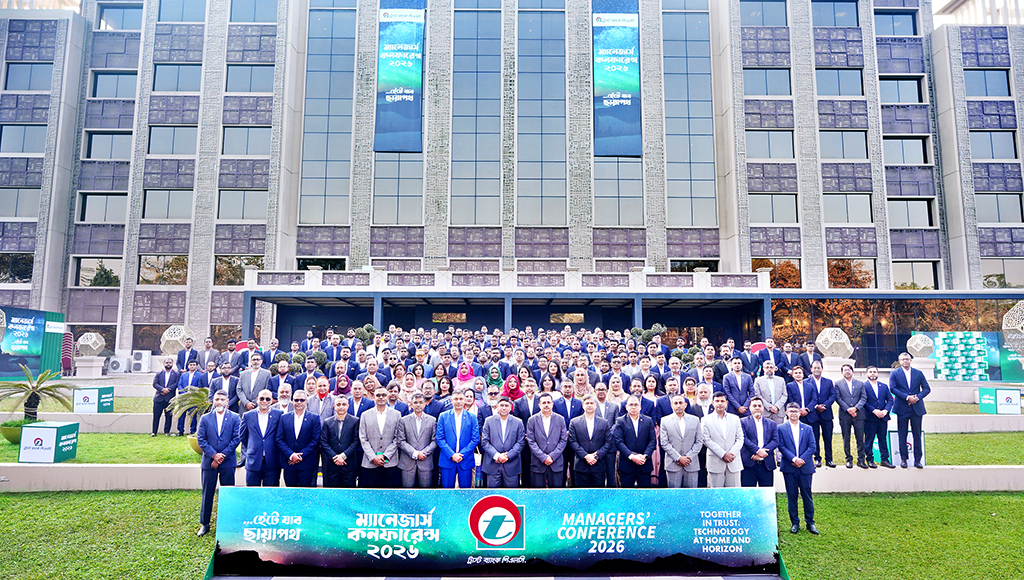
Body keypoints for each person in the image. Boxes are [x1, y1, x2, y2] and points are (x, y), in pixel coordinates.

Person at [196, 389, 240, 537]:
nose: (219, 402)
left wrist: (222, 456)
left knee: (228, 493)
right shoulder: (205, 418)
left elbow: (236, 438)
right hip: (209, 462)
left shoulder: (235, 417)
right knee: (207, 493)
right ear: (213, 401)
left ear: (227, 402)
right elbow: (201, 439)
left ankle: (228, 523)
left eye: (222, 399)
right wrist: (214, 455)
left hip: (228, 463)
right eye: (216, 399)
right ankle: (205, 524)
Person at [779, 402, 818, 535]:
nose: (793, 414)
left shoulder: (807, 428)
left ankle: (810, 522)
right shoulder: (781, 428)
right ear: (786, 413)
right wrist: (794, 459)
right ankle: (795, 523)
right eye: (791, 411)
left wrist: (801, 460)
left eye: (796, 411)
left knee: (807, 495)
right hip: (789, 467)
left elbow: (812, 446)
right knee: (792, 496)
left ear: (800, 413)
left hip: (805, 467)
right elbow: (781, 446)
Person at [889, 352, 931, 469]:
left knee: (917, 435)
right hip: (902, 408)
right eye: (903, 359)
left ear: (911, 360)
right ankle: (903, 459)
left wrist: (916, 398)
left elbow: (927, 389)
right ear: (899, 361)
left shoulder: (918, 373)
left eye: (907, 359)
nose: (905, 361)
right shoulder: (895, 373)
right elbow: (893, 388)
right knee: (902, 434)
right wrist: (907, 397)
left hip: (916, 408)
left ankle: (918, 460)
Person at [358, 385, 402, 488]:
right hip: (370, 462)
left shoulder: (397, 414)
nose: (381, 397)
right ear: (374, 397)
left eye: (383, 395)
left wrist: (385, 455)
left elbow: (397, 438)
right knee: (371, 494)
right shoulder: (365, 415)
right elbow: (363, 438)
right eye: (378, 395)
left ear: (388, 396)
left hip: (390, 462)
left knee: (389, 494)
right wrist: (373, 457)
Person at [277, 390, 322, 487]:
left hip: (306, 463)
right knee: (290, 492)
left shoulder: (314, 418)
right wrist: (291, 455)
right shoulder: (284, 418)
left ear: (306, 401)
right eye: (296, 400)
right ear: (292, 401)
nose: (299, 402)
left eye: (302, 400)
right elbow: (279, 439)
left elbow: (315, 440)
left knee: (305, 492)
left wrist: (300, 456)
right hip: (289, 463)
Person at [436, 389, 480, 488]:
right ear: (451, 400)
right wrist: (452, 454)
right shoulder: (443, 416)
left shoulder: (472, 417)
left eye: (461, 399)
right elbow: (439, 438)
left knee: (465, 491)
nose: (458, 401)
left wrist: (462, 454)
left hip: (465, 460)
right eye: (456, 399)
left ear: (464, 400)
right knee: (447, 491)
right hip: (448, 460)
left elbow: (475, 439)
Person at [568, 393, 613, 488]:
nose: (589, 405)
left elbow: (608, 442)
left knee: (598, 494)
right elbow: (573, 442)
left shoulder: (604, 423)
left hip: (598, 466)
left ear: (596, 405)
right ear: (583, 405)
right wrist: (586, 456)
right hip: (581, 465)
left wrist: (596, 456)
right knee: (581, 494)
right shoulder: (574, 422)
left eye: (591, 403)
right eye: (587, 403)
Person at [659, 394, 704, 488]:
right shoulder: (665, 421)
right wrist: (678, 458)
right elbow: (664, 442)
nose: (678, 405)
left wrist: (689, 457)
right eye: (675, 403)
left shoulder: (695, 420)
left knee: (691, 495)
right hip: (673, 464)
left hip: (691, 464)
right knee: (674, 495)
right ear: (672, 405)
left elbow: (699, 441)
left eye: (680, 403)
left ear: (685, 405)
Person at [480, 396, 526, 488]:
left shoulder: (518, 422)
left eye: (506, 405)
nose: (504, 408)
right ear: (497, 407)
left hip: (511, 465)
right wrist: (497, 456)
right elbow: (485, 442)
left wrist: (507, 456)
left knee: (511, 495)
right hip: (493, 465)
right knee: (493, 495)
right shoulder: (489, 421)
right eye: (501, 405)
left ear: (510, 407)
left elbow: (520, 442)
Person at [239, 389, 282, 487]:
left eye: (268, 399)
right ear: (257, 399)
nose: (264, 401)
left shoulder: (279, 415)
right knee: (253, 493)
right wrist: (253, 446)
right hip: (253, 461)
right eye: (262, 398)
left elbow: (281, 435)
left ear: (271, 401)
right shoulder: (247, 416)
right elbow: (243, 436)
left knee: (270, 493)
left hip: (272, 461)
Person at [701, 391, 744, 488]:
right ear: (712, 403)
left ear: (726, 403)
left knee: (733, 493)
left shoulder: (735, 418)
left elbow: (740, 438)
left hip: (733, 461)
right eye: (717, 401)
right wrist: (723, 454)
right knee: (716, 494)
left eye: (722, 401)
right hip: (715, 462)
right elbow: (706, 440)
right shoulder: (705, 420)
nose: (720, 403)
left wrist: (731, 453)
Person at [525, 392, 568, 488]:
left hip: (556, 462)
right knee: (538, 493)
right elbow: (531, 441)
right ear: (539, 405)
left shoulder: (560, 419)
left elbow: (563, 440)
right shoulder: (532, 420)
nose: (546, 405)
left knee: (556, 493)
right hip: (538, 463)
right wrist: (543, 457)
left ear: (552, 404)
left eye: (549, 402)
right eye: (543, 403)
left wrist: (552, 456)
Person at [613, 395, 657, 488]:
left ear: (640, 407)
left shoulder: (648, 420)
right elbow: (619, 442)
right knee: (627, 493)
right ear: (626, 407)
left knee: (645, 493)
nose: (633, 407)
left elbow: (652, 441)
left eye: (636, 405)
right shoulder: (620, 421)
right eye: (631, 405)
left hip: (644, 463)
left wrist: (645, 456)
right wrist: (632, 456)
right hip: (627, 464)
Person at [396, 393, 438, 488]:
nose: (418, 405)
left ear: (425, 404)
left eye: (420, 402)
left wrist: (424, 453)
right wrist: (415, 453)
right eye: (415, 402)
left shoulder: (432, 420)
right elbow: (401, 441)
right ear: (411, 404)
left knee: (425, 492)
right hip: (407, 462)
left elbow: (434, 441)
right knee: (407, 492)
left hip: (425, 462)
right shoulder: (403, 420)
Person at [320, 397, 360, 488]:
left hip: (348, 464)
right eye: (338, 404)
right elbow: (324, 442)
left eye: (344, 404)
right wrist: (335, 457)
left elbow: (356, 441)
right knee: (332, 492)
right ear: (334, 406)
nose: (341, 407)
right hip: (331, 464)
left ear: (348, 406)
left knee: (349, 492)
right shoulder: (327, 422)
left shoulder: (355, 421)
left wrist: (343, 456)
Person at [834, 363, 868, 469]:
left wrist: (855, 408)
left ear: (852, 372)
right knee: (846, 438)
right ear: (841, 372)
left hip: (859, 415)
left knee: (860, 438)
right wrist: (848, 409)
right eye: (845, 370)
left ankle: (861, 460)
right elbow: (838, 398)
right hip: (845, 415)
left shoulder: (860, 384)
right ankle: (849, 459)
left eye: (849, 370)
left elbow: (863, 397)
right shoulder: (837, 384)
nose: (847, 372)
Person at [740, 397, 779, 487]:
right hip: (749, 463)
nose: (757, 408)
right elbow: (743, 439)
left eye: (759, 406)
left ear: (763, 407)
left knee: (766, 493)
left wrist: (763, 453)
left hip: (766, 464)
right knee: (748, 493)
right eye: (754, 406)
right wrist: (757, 451)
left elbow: (776, 441)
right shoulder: (742, 422)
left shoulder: (772, 423)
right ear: (750, 408)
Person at [863, 365, 895, 469]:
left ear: (877, 373)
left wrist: (886, 411)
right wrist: (874, 410)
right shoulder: (863, 386)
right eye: (870, 372)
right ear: (867, 374)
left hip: (883, 417)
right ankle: (869, 459)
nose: (872, 373)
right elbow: (864, 401)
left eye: (874, 372)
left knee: (883, 439)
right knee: (869, 439)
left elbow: (890, 400)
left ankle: (885, 459)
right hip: (870, 418)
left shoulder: (884, 386)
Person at [807, 360, 836, 468]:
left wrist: (825, 405)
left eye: (818, 368)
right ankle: (817, 459)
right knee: (814, 438)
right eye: (814, 368)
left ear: (822, 369)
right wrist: (815, 406)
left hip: (826, 414)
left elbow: (833, 395)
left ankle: (829, 459)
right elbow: (807, 397)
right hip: (813, 415)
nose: (817, 370)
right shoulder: (806, 382)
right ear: (811, 369)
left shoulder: (828, 382)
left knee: (828, 438)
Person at [151, 357, 179, 437]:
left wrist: (168, 389)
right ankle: (154, 432)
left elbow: (176, 384)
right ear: (164, 364)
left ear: (172, 364)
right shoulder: (159, 373)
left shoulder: (176, 374)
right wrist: (162, 389)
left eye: (170, 362)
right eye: (167, 362)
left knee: (168, 416)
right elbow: (155, 384)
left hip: (169, 399)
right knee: (156, 416)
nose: (168, 364)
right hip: (159, 398)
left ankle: (167, 432)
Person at [176, 360, 203, 435]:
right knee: (181, 415)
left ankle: (192, 431)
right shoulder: (183, 375)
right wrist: (184, 393)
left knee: (193, 415)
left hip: (193, 398)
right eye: (190, 365)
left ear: (196, 366)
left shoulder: (200, 375)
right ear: (188, 366)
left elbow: (200, 386)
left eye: (194, 365)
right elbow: (179, 385)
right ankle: (180, 431)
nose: (192, 366)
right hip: (183, 398)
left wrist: (192, 393)